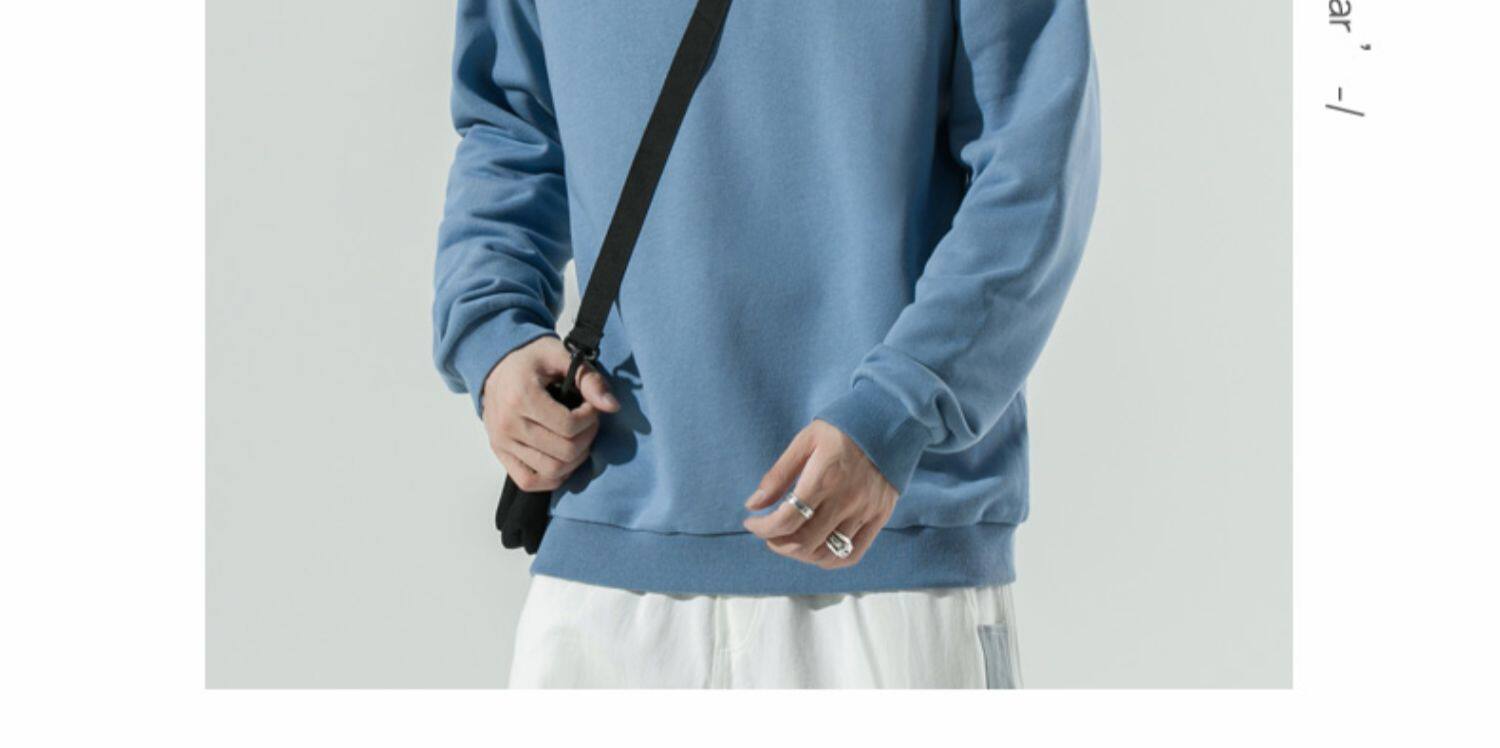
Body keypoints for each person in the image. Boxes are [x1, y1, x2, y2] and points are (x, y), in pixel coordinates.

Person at [433, 0, 1100, 688]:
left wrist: (899, 407)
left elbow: (1033, 162)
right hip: (603, 575)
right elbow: (511, 129)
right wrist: (494, 336)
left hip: (889, 562)